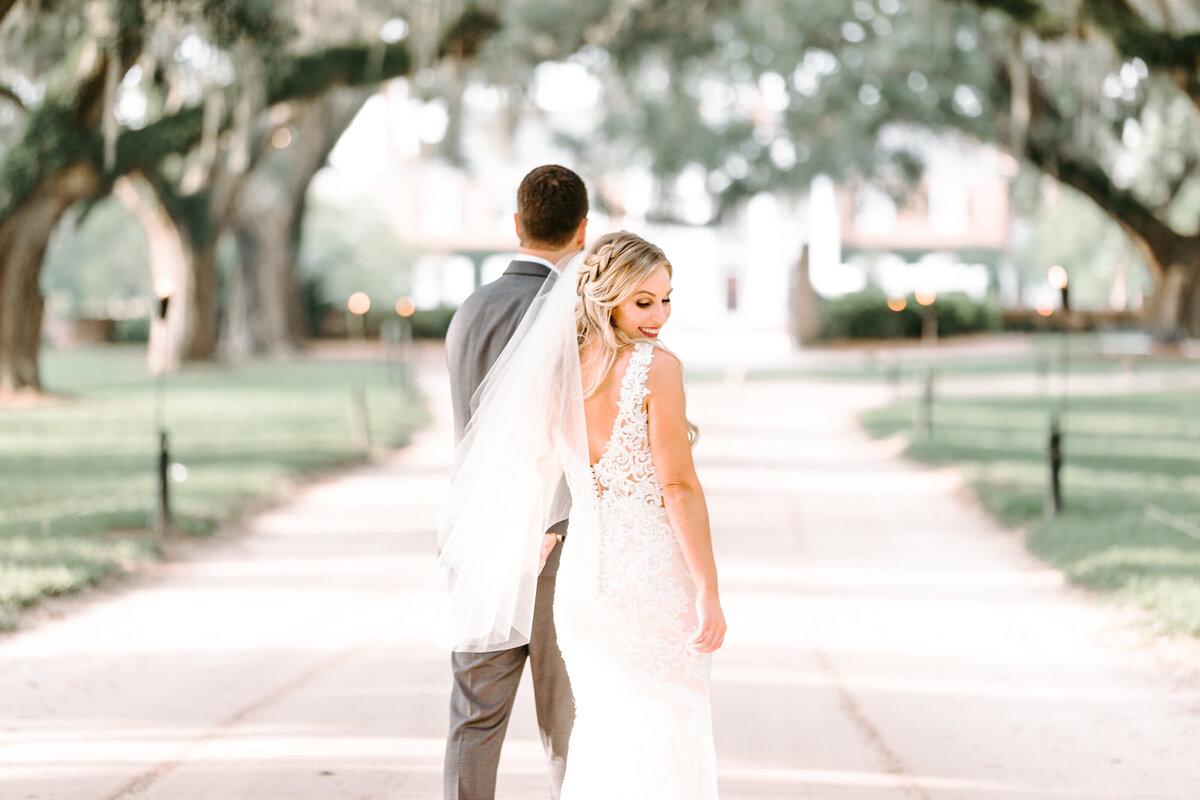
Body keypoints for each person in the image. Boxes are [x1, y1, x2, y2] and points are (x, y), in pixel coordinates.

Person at [431, 229, 725, 798]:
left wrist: (534, 531)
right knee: (666, 729)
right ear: (607, 296)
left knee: (603, 732)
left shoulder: (561, 367)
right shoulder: (655, 368)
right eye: (643, 301)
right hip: (649, 582)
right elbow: (678, 485)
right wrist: (708, 586)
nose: (659, 315)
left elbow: (534, 463)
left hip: (583, 584)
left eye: (667, 299)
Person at [441, 164, 588, 800]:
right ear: (584, 231)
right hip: (559, 539)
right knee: (569, 721)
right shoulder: (577, 315)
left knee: (474, 717)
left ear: (516, 226)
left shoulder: (469, 311)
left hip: (477, 534)